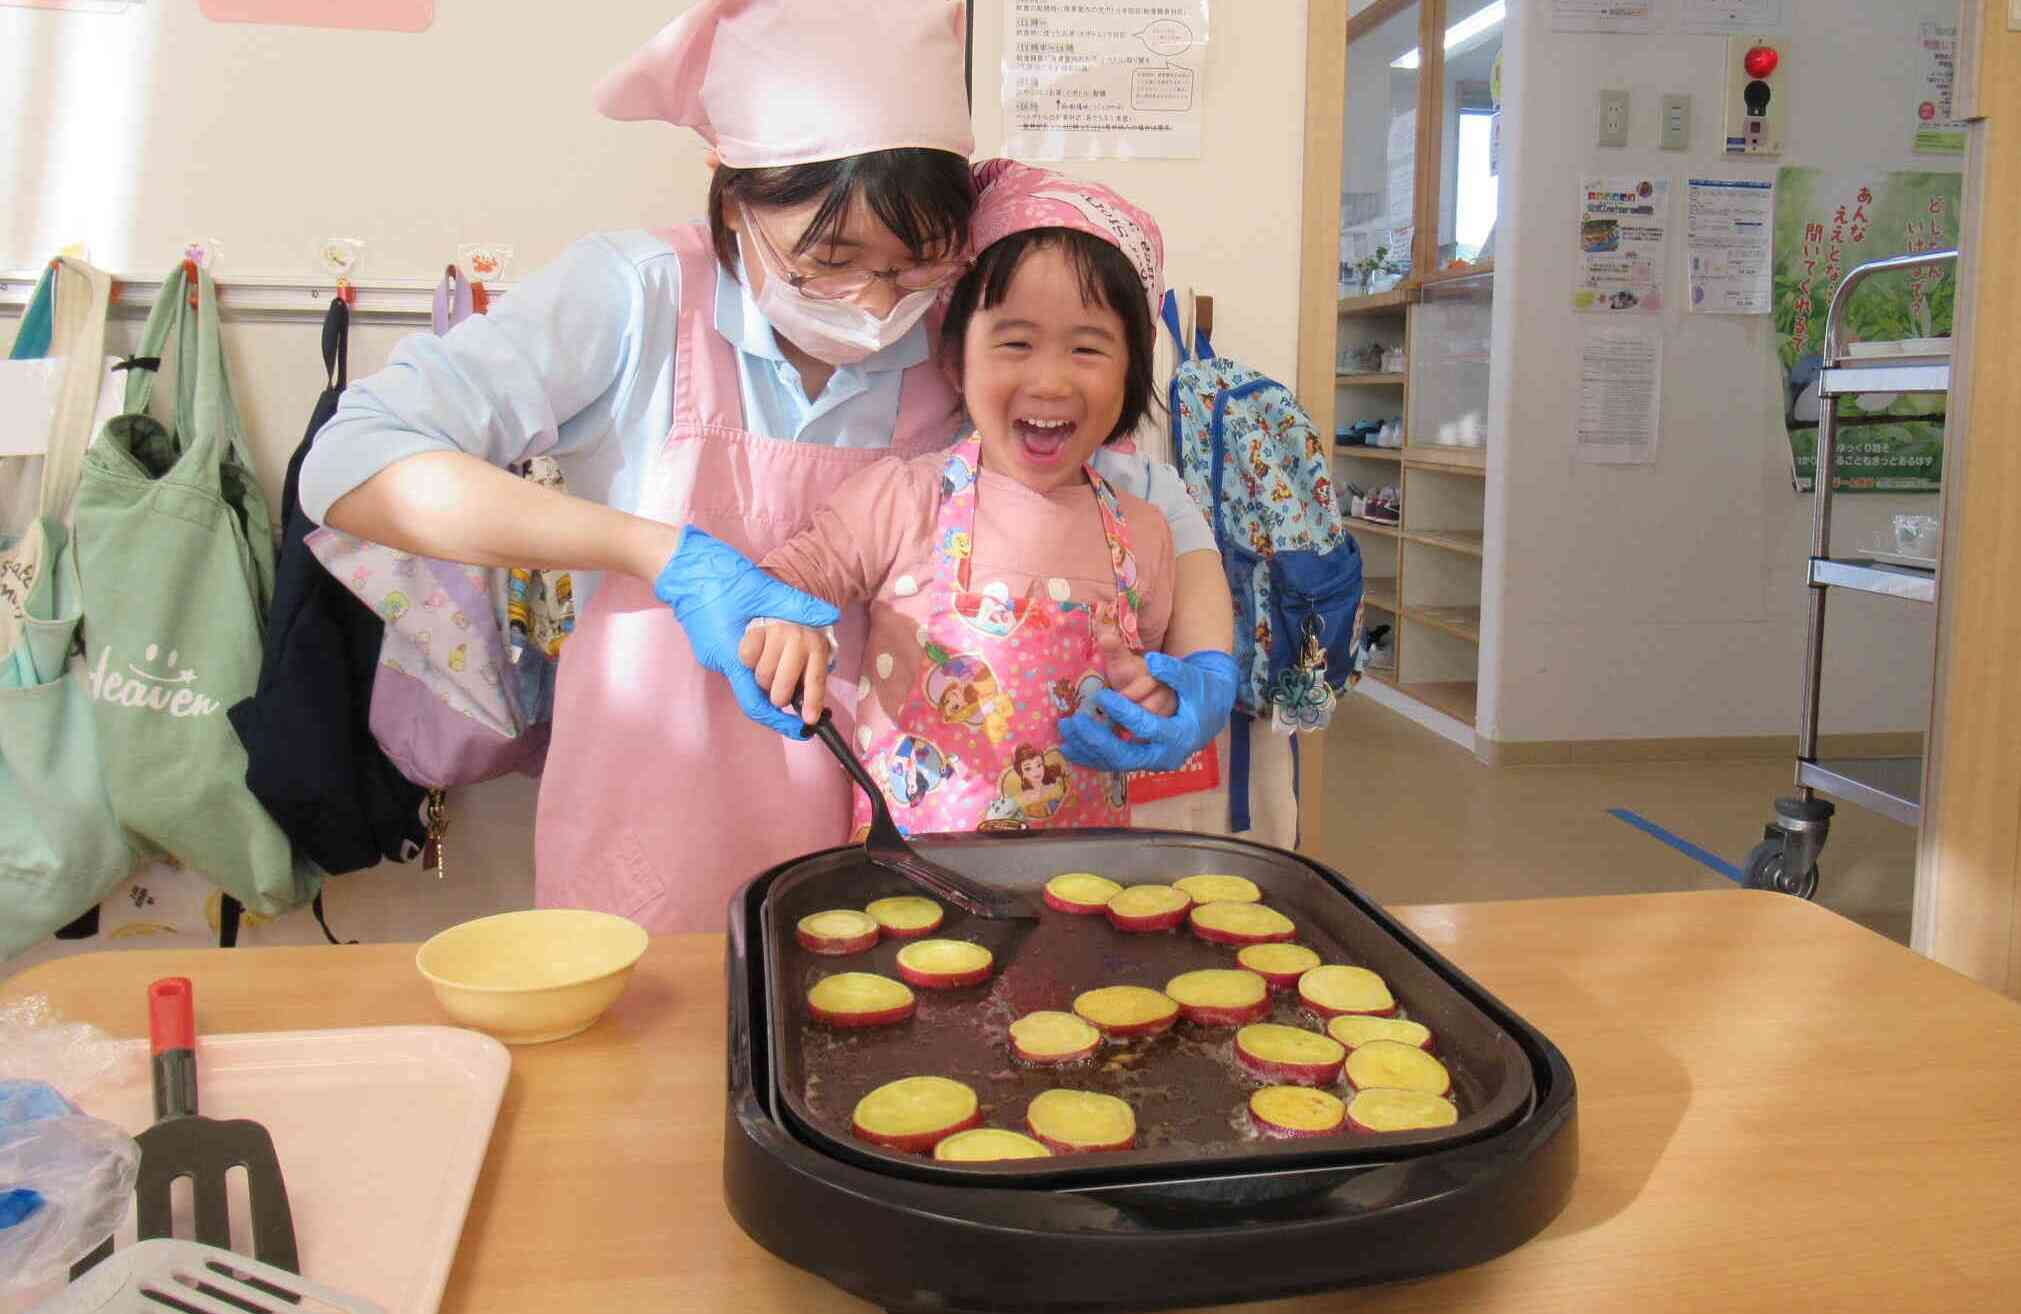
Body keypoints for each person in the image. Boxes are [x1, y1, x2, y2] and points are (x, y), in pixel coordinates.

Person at [301, 0, 1234, 930]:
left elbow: (1147, 492)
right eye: (828, 262)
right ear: (732, 192)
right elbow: (353, 461)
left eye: (914, 265)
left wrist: (1205, 665)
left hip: (901, 829)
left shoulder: (965, 332)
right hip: (659, 805)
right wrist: (657, 553)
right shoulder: (635, 298)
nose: (875, 305)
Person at [740, 163, 1228, 836]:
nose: (1049, 379)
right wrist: (786, 628)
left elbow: (1147, 674)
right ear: (954, 361)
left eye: (1087, 348)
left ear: (1131, 373)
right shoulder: (903, 499)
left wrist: (1157, 697)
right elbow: (779, 586)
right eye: (1015, 343)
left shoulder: (1143, 533)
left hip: (1079, 882)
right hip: (909, 880)